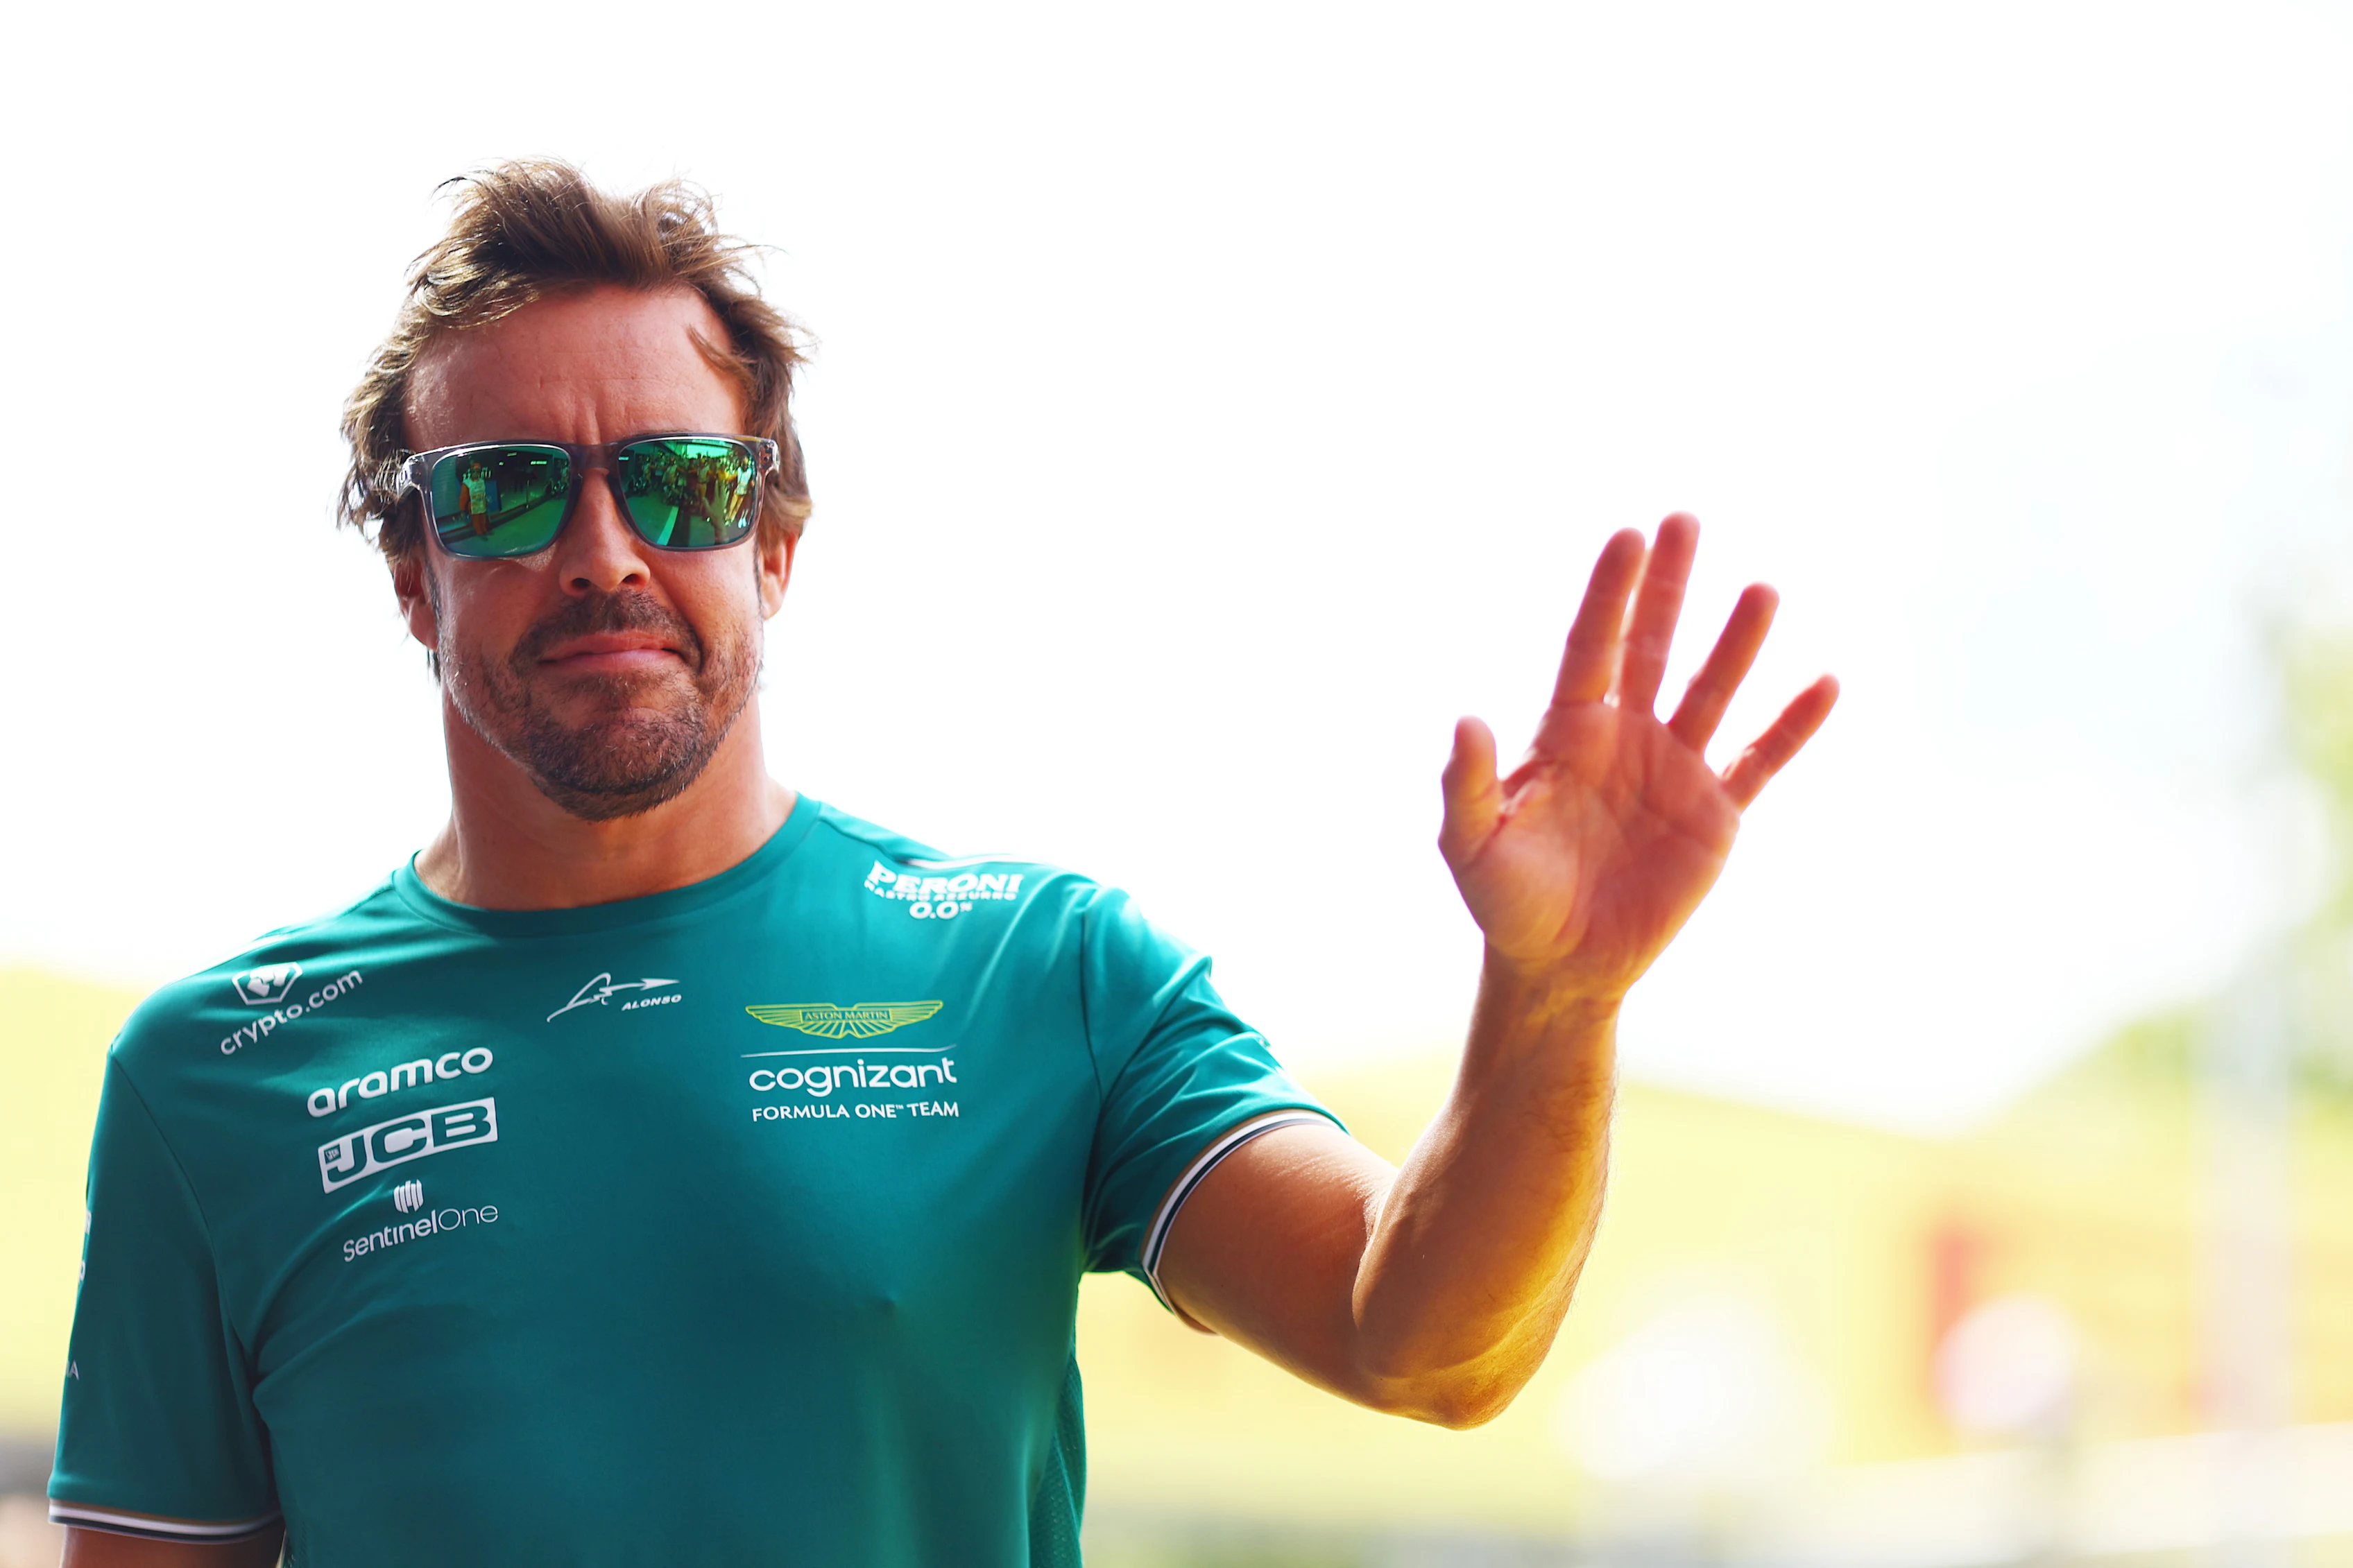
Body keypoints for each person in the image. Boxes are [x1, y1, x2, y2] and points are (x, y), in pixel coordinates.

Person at [49, 161, 1837, 1568]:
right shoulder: (220, 1074)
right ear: (413, 576)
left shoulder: (1041, 974)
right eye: (508, 491)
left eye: (679, 481)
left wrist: (1555, 995)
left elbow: (1425, 1346)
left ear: (778, 543)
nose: (604, 549)